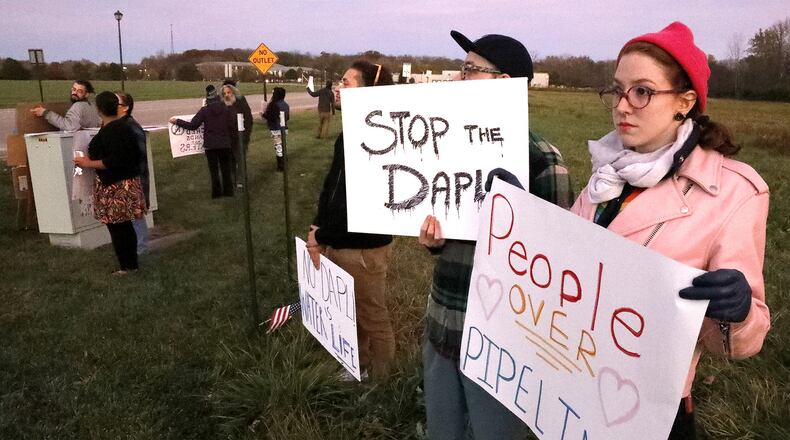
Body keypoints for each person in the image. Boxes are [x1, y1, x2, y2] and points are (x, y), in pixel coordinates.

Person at [572, 22, 769, 439]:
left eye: (642, 91)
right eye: (617, 90)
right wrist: (516, 216)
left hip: (649, 407)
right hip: (573, 378)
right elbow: (569, 263)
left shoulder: (732, 191)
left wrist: (736, 312)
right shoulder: (607, 171)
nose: (623, 106)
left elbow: (742, 344)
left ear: (685, 101)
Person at [418, 31, 574, 440]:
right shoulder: (447, 144)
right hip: (443, 325)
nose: (457, 78)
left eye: (470, 69)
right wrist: (435, 242)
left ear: (504, 83)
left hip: (500, 350)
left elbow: (555, 273)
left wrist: (519, 220)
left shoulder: (543, 162)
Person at [306, 61, 396, 381]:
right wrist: (318, 225)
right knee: (350, 315)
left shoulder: (379, 137)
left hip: (364, 247)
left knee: (373, 316)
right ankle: (355, 365)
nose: (337, 87)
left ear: (368, 91)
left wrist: (326, 233)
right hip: (338, 239)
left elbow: (360, 204)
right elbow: (333, 186)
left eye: (346, 82)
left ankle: (383, 384)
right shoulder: (348, 134)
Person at [74, 91, 145, 275]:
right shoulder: (124, 127)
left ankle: (127, 266)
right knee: (124, 226)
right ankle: (131, 264)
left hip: (116, 185)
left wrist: (88, 163)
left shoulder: (113, 131)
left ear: (99, 109)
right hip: (125, 182)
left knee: (118, 228)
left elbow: (114, 160)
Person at [170, 85, 238, 198]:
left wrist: (177, 121)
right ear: (217, 95)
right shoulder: (226, 108)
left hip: (211, 145)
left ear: (207, 97)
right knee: (226, 169)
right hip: (225, 144)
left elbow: (193, 125)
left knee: (214, 171)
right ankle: (228, 191)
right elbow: (232, 125)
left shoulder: (205, 110)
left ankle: (216, 193)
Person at [116, 91, 149, 255]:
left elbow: (138, 156)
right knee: (127, 215)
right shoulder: (116, 125)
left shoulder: (130, 126)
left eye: (117, 103)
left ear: (126, 108)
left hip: (133, 177)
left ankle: (141, 250)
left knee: (136, 215)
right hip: (123, 178)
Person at [30, 80, 101, 131]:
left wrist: (45, 113)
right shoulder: (92, 106)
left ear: (86, 94)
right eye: (74, 89)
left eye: (79, 91)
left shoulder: (78, 105)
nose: (75, 92)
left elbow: (70, 126)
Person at [222, 79, 253, 185]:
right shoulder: (222, 104)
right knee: (229, 162)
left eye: (229, 92)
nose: (226, 95)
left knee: (240, 160)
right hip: (227, 139)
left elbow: (248, 120)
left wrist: (245, 136)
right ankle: (232, 181)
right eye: (224, 93)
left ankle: (241, 181)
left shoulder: (241, 102)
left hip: (239, 137)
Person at [261, 87, 290, 171]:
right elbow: (287, 117)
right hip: (284, 128)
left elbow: (271, 117)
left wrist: (263, 114)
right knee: (282, 145)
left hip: (276, 128)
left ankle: (281, 165)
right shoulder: (286, 105)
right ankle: (284, 160)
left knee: (278, 147)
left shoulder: (274, 105)